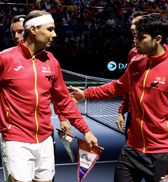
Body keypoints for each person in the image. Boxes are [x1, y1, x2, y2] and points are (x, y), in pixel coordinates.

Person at [71, 13, 168, 181]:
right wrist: (85, 94)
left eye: (141, 37)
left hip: (161, 153)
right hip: (131, 149)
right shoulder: (136, 62)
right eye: (135, 36)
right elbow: (118, 86)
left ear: (157, 39)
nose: (135, 41)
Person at [0, 10, 98, 182]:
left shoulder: (51, 61)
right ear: (33, 30)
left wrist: (85, 130)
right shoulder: (5, 59)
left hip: (45, 140)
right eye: (50, 29)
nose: (54, 34)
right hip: (16, 140)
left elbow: (64, 101)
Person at [116, 11, 168, 134]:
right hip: (134, 117)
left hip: (159, 123)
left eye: (137, 24)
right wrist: (122, 110)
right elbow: (127, 86)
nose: (132, 27)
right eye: (132, 24)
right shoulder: (134, 54)